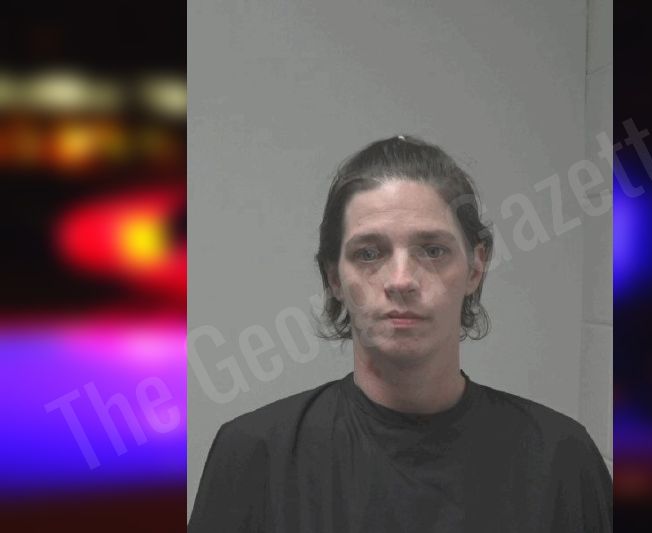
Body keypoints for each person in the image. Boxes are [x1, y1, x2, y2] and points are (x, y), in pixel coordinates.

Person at [189, 135, 612, 532]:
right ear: (334, 277)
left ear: (475, 267)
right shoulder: (256, 456)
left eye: (433, 250)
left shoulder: (561, 460)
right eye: (369, 253)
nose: (401, 280)